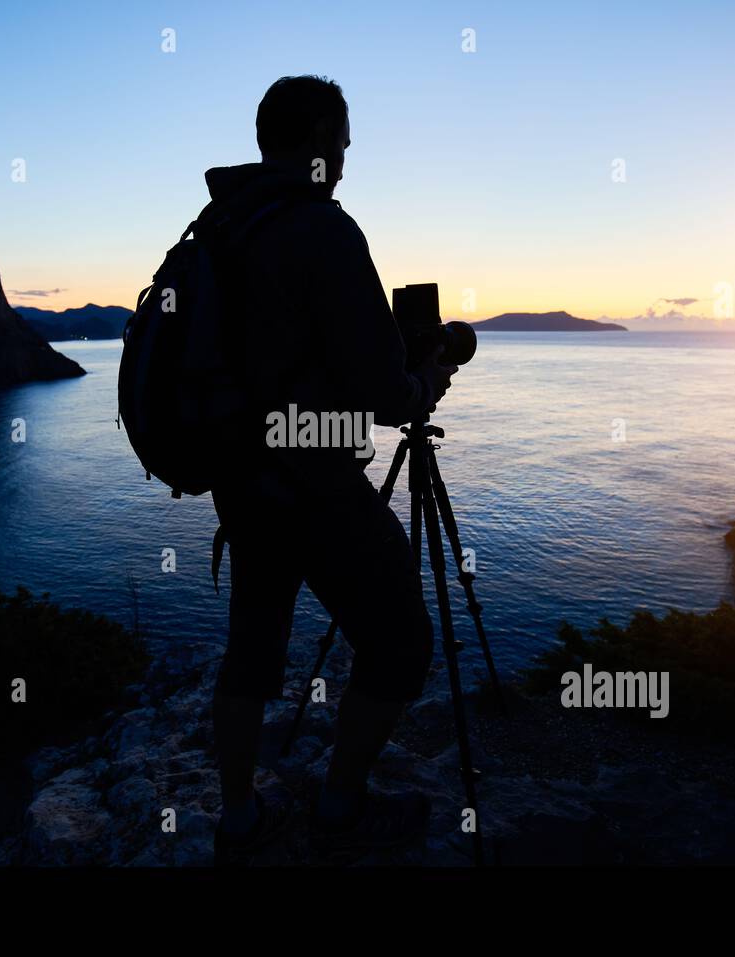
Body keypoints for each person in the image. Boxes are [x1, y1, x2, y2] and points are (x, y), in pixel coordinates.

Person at [207, 75, 457, 865]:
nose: (345, 162)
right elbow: (380, 392)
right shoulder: (322, 229)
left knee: (252, 648)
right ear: (316, 134)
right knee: (400, 643)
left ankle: (239, 817)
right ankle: (341, 804)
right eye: (342, 143)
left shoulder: (222, 225)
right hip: (314, 484)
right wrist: (427, 380)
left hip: (242, 479)